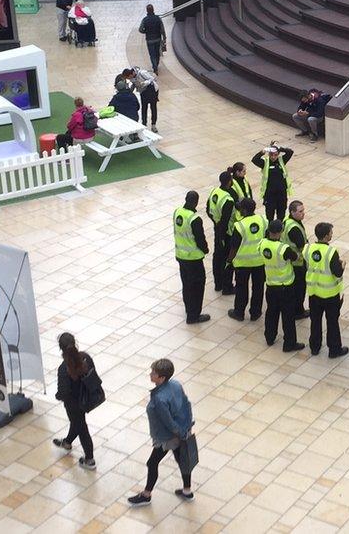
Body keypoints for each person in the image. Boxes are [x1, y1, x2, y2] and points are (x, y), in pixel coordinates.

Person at [128, 359, 196, 506]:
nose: (150, 374)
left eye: (153, 373)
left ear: (161, 378)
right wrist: (186, 429)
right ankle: (187, 491)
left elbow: (168, 422)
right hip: (182, 432)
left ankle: (146, 495)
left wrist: (178, 432)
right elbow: (187, 404)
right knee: (182, 459)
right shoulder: (176, 385)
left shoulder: (159, 399)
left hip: (167, 437)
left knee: (152, 463)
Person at [303, 222, 348, 358]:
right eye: (331, 232)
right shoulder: (331, 252)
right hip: (330, 294)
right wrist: (343, 265)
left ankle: (315, 347)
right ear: (327, 236)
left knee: (315, 321)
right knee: (332, 322)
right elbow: (337, 273)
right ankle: (334, 349)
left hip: (314, 291)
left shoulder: (308, 249)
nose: (332, 234)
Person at [52, 332, 96, 470]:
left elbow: (63, 392)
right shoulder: (86, 358)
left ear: (60, 348)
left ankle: (89, 460)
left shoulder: (64, 368)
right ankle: (67, 442)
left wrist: (58, 396)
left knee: (81, 427)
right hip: (87, 398)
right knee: (77, 423)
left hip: (73, 404)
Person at [260, 220, 305, 352]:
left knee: (271, 312)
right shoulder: (283, 248)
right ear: (280, 232)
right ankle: (289, 343)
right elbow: (295, 257)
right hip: (285, 285)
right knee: (288, 316)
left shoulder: (262, 243)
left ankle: (269, 337)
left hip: (270, 284)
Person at [173, 191, 210, 324]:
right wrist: (205, 249)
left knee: (186, 284)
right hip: (193, 258)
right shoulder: (194, 219)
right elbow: (200, 238)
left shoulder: (177, 213)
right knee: (198, 286)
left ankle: (189, 309)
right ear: (196, 202)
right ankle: (194, 315)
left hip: (181, 256)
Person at [227, 198, 267, 321]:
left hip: (243, 263)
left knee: (241, 288)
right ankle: (255, 312)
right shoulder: (263, 220)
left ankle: (239, 312)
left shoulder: (239, 225)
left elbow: (234, 246)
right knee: (258, 288)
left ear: (244, 210)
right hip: (260, 262)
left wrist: (229, 260)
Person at [207, 171, 236, 294]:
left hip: (217, 228)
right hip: (226, 233)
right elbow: (225, 220)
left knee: (217, 257)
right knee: (227, 259)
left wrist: (215, 222)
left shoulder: (214, 191)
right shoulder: (228, 199)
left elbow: (208, 209)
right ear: (230, 181)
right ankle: (227, 286)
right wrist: (222, 231)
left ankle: (218, 284)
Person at [251, 143, 294, 221]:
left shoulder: (281, 160)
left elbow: (290, 152)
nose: (273, 157)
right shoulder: (265, 162)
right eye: (271, 155)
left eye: (275, 155)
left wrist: (280, 148)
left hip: (281, 195)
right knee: (269, 216)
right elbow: (254, 160)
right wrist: (262, 152)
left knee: (281, 216)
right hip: (270, 195)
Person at [282, 200, 309, 319]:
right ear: (292, 212)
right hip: (297, 263)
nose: (303, 213)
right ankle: (298, 311)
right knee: (299, 288)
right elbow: (301, 246)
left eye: (303, 210)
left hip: (290, 262)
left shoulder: (287, 221)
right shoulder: (294, 228)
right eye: (300, 211)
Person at [123, 67, 160, 132]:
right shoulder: (132, 78)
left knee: (153, 107)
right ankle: (144, 124)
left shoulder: (142, 73)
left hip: (152, 90)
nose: (129, 79)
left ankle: (153, 125)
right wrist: (129, 92)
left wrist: (144, 83)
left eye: (128, 77)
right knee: (144, 108)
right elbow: (134, 85)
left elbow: (152, 78)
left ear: (131, 74)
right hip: (143, 92)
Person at [139, 4, 167, 73]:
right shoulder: (158, 18)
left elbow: (140, 29)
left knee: (152, 54)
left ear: (147, 11)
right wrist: (164, 38)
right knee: (157, 53)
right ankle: (156, 64)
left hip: (149, 40)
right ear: (153, 10)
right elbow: (162, 29)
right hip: (157, 38)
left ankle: (155, 67)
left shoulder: (145, 19)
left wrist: (146, 31)